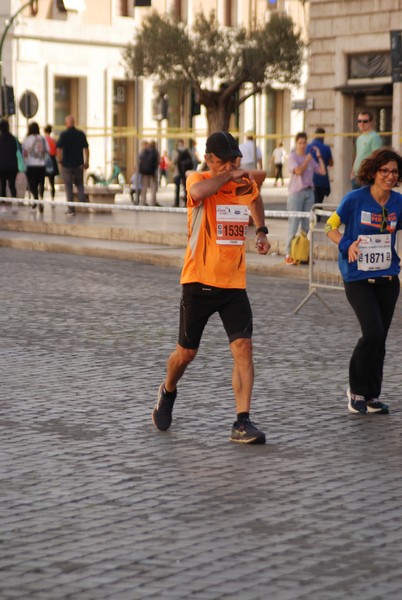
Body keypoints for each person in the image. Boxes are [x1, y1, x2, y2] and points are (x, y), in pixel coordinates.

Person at [152, 131, 270, 444]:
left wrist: (261, 231)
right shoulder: (197, 178)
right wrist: (228, 175)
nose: (231, 165)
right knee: (186, 354)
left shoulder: (241, 183)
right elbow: (201, 189)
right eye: (224, 161)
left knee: (243, 348)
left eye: (235, 160)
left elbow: (256, 197)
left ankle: (242, 421)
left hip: (234, 284)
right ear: (209, 159)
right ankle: (168, 390)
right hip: (198, 283)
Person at [326, 147, 402, 415]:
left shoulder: (397, 202)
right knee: (372, 333)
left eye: (394, 171)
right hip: (358, 278)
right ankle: (355, 391)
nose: (390, 176)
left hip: (388, 279)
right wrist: (347, 244)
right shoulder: (354, 199)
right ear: (373, 172)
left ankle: (371, 395)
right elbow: (329, 227)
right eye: (384, 171)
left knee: (380, 339)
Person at [284, 132, 326, 265]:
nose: (302, 145)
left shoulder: (310, 158)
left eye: (304, 143)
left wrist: (318, 156)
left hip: (309, 192)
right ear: (296, 143)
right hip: (296, 193)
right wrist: (307, 159)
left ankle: (303, 253)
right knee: (294, 224)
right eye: (300, 143)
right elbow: (298, 171)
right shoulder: (292, 157)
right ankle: (288, 253)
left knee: (307, 225)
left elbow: (322, 171)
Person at [56, 115, 89, 216]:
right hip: (79, 164)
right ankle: (82, 205)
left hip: (67, 165)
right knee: (80, 184)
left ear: (66, 123)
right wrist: (87, 161)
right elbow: (86, 148)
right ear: (74, 122)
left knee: (68, 186)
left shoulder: (63, 134)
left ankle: (71, 209)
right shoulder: (80, 134)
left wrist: (60, 160)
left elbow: (58, 148)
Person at [350, 110, 383, 190]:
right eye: (359, 121)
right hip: (357, 177)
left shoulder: (374, 137)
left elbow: (377, 157)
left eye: (365, 121)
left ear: (371, 122)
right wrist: (352, 173)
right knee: (356, 201)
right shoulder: (360, 138)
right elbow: (358, 156)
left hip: (367, 177)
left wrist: (371, 174)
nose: (362, 123)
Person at [306, 128, 334, 220]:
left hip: (309, 178)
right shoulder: (326, 148)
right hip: (322, 179)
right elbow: (331, 163)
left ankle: (311, 219)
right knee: (318, 201)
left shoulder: (307, 147)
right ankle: (317, 218)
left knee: (310, 201)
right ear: (323, 136)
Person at [22, 122, 47, 213]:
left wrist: (24, 163)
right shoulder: (42, 139)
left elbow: (24, 152)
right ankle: (40, 199)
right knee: (41, 184)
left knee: (32, 185)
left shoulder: (27, 139)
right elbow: (46, 150)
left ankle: (36, 199)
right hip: (42, 165)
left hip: (31, 165)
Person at [0, 119, 19, 212]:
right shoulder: (13, 139)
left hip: (2, 166)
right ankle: (14, 203)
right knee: (12, 185)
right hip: (12, 166)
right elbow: (18, 149)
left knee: (2, 185)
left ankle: (3, 205)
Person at [172, 140, 193, 207]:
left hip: (177, 171)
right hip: (186, 172)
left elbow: (173, 161)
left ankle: (176, 203)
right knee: (186, 188)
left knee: (177, 188)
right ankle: (187, 202)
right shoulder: (187, 150)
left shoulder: (175, 151)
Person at [139, 140, 159, 206]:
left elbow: (140, 161)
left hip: (144, 172)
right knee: (153, 188)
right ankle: (153, 202)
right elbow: (157, 162)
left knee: (144, 187)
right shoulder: (155, 152)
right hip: (152, 173)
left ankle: (143, 202)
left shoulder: (144, 151)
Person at [43, 124, 59, 202]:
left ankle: (41, 198)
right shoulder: (54, 140)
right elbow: (56, 151)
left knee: (41, 181)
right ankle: (52, 198)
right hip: (52, 160)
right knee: (52, 182)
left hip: (44, 160)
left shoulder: (43, 139)